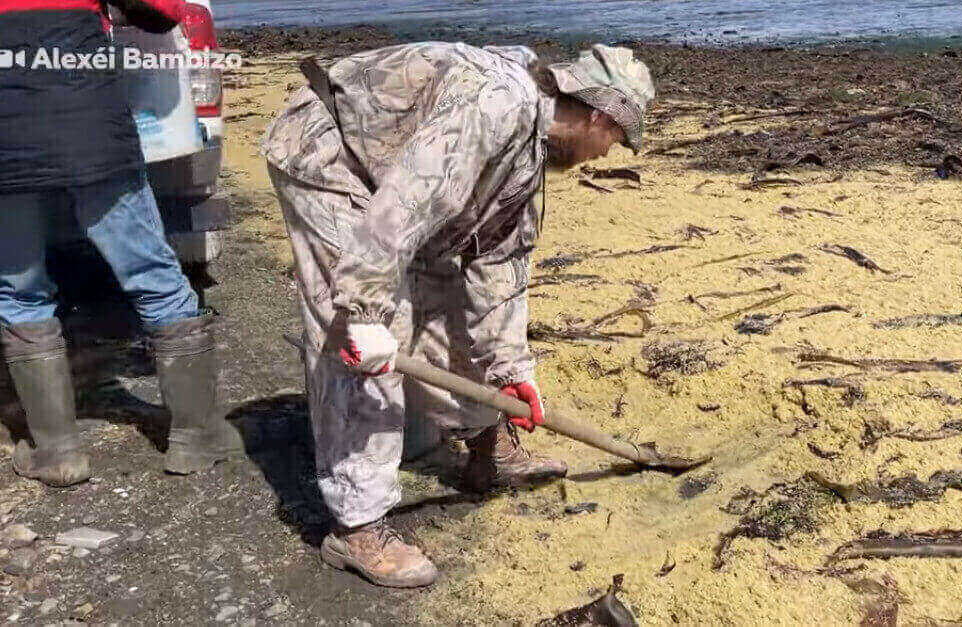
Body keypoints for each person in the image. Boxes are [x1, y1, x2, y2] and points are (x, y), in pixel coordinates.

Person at [263, 42, 654, 588]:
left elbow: (498, 264)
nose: (609, 153)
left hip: (390, 175)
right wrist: (362, 310)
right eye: (616, 137)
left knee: (445, 298)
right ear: (597, 116)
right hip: (331, 156)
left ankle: (482, 447)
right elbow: (406, 202)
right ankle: (358, 525)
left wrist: (511, 370)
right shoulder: (498, 103)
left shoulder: (528, 151)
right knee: (363, 342)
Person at [0, 0, 241, 486]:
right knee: (154, 276)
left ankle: (58, 451)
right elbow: (164, 9)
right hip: (90, 133)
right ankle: (196, 438)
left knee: (20, 293)